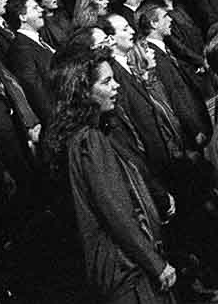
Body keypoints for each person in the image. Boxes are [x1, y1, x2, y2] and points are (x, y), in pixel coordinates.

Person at [48, 50, 177, 302]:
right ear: (84, 92)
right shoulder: (89, 140)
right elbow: (115, 209)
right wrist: (155, 263)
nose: (116, 85)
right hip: (127, 270)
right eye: (106, 82)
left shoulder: (83, 136)